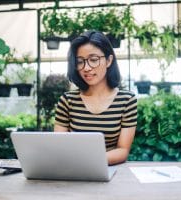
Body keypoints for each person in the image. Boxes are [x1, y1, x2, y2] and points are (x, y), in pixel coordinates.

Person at [54, 30, 137, 165]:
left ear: (109, 61)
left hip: (108, 171)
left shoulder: (127, 100)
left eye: (93, 60)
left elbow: (122, 150)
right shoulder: (67, 101)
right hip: (73, 172)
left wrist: (89, 162)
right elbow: (59, 146)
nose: (86, 68)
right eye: (80, 62)